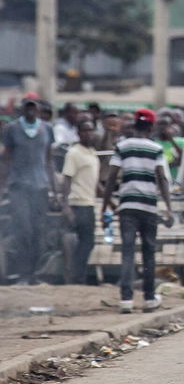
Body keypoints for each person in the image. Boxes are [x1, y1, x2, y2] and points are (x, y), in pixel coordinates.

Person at [102, 108, 174, 312]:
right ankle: (150, 298)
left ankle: (126, 299)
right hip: (149, 207)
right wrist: (168, 208)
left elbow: (111, 178)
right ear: (151, 127)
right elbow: (162, 179)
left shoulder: (122, 147)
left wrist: (106, 205)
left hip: (127, 207)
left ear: (134, 125)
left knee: (128, 252)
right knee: (149, 253)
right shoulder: (156, 149)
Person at [0, 97, 60, 284]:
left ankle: (35, 274)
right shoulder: (12, 129)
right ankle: (23, 273)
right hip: (18, 186)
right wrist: (3, 185)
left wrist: (55, 189)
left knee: (38, 231)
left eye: (34, 108)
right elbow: (7, 159)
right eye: (27, 108)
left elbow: (49, 160)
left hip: (40, 185)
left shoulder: (46, 129)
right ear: (23, 109)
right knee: (22, 230)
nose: (31, 111)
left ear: (39, 109)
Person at [62, 117, 101, 284]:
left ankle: (79, 276)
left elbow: (95, 181)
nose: (88, 133)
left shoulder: (92, 152)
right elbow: (67, 179)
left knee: (88, 243)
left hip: (89, 203)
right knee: (82, 243)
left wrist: (111, 202)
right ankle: (76, 278)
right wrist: (65, 205)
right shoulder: (74, 153)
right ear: (78, 133)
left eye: (90, 130)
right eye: (85, 130)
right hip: (78, 203)